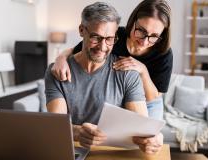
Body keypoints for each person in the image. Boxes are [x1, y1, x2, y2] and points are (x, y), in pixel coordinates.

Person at [45, 2, 163, 154]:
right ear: (82, 30)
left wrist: (156, 138)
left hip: (110, 154)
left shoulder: (127, 73)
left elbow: (142, 130)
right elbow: (56, 127)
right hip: (72, 152)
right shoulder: (57, 72)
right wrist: (77, 132)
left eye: (109, 39)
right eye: (96, 37)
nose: (102, 47)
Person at [51, 0, 173, 120]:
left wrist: (143, 70)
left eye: (154, 36)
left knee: (149, 138)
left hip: (149, 103)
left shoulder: (164, 53)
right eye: (141, 31)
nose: (144, 41)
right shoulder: (113, 36)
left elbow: (153, 96)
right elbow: (75, 50)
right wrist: (60, 59)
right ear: (133, 21)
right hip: (122, 98)